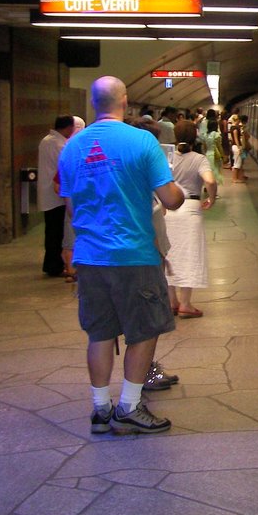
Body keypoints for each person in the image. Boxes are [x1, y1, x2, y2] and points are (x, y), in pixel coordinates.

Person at [58, 76, 185, 435]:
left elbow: (71, 208)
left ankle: (100, 410)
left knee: (99, 334)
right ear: (125, 101)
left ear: (94, 104)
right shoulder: (141, 141)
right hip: (134, 255)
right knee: (143, 331)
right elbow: (172, 199)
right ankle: (129, 406)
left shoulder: (72, 147)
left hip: (90, 257)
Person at [166, 120, 218, 319]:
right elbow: (210, 181)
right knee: (188, 256)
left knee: (169, 255)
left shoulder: (166, 158)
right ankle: (186, 304)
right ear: (195, 135)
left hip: (168, 209)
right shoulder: (199, 159)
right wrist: (211, 197)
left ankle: (172, 303)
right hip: (190, 209)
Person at [38, 115, 76, 277]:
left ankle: (52, 264)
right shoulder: (59, 144)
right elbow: (66, 168)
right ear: (68, 127)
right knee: (57, 233)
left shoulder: (46, 140)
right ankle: (54, 265)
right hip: (56, 195)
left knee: (52, 231)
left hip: (49, 193)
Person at [59, 116, 86, 281]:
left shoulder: (67, 148)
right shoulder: (86, 146)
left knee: (70, 235)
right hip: (85, 200)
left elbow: (62, 182)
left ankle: (70, 269)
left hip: (74, 199)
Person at [203, 117, 224, 188]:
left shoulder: (205, 135)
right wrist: (223, 155)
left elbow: (204, 147)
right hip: (215, 155)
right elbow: (219, 147)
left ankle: (207, 187)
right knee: (215, 172)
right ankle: (214, 190)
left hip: (207, 154)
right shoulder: (216, 135)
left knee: (209, 171)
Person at [230, 114, 250, 183]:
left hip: (237, 147)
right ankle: (235, 178)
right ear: (238, 120)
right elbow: (236, 139)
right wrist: (239, 148)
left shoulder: (234, 127)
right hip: (237, 147)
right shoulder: (236, 129)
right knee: (237, 164)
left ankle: (240, 177)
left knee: (239, 163)